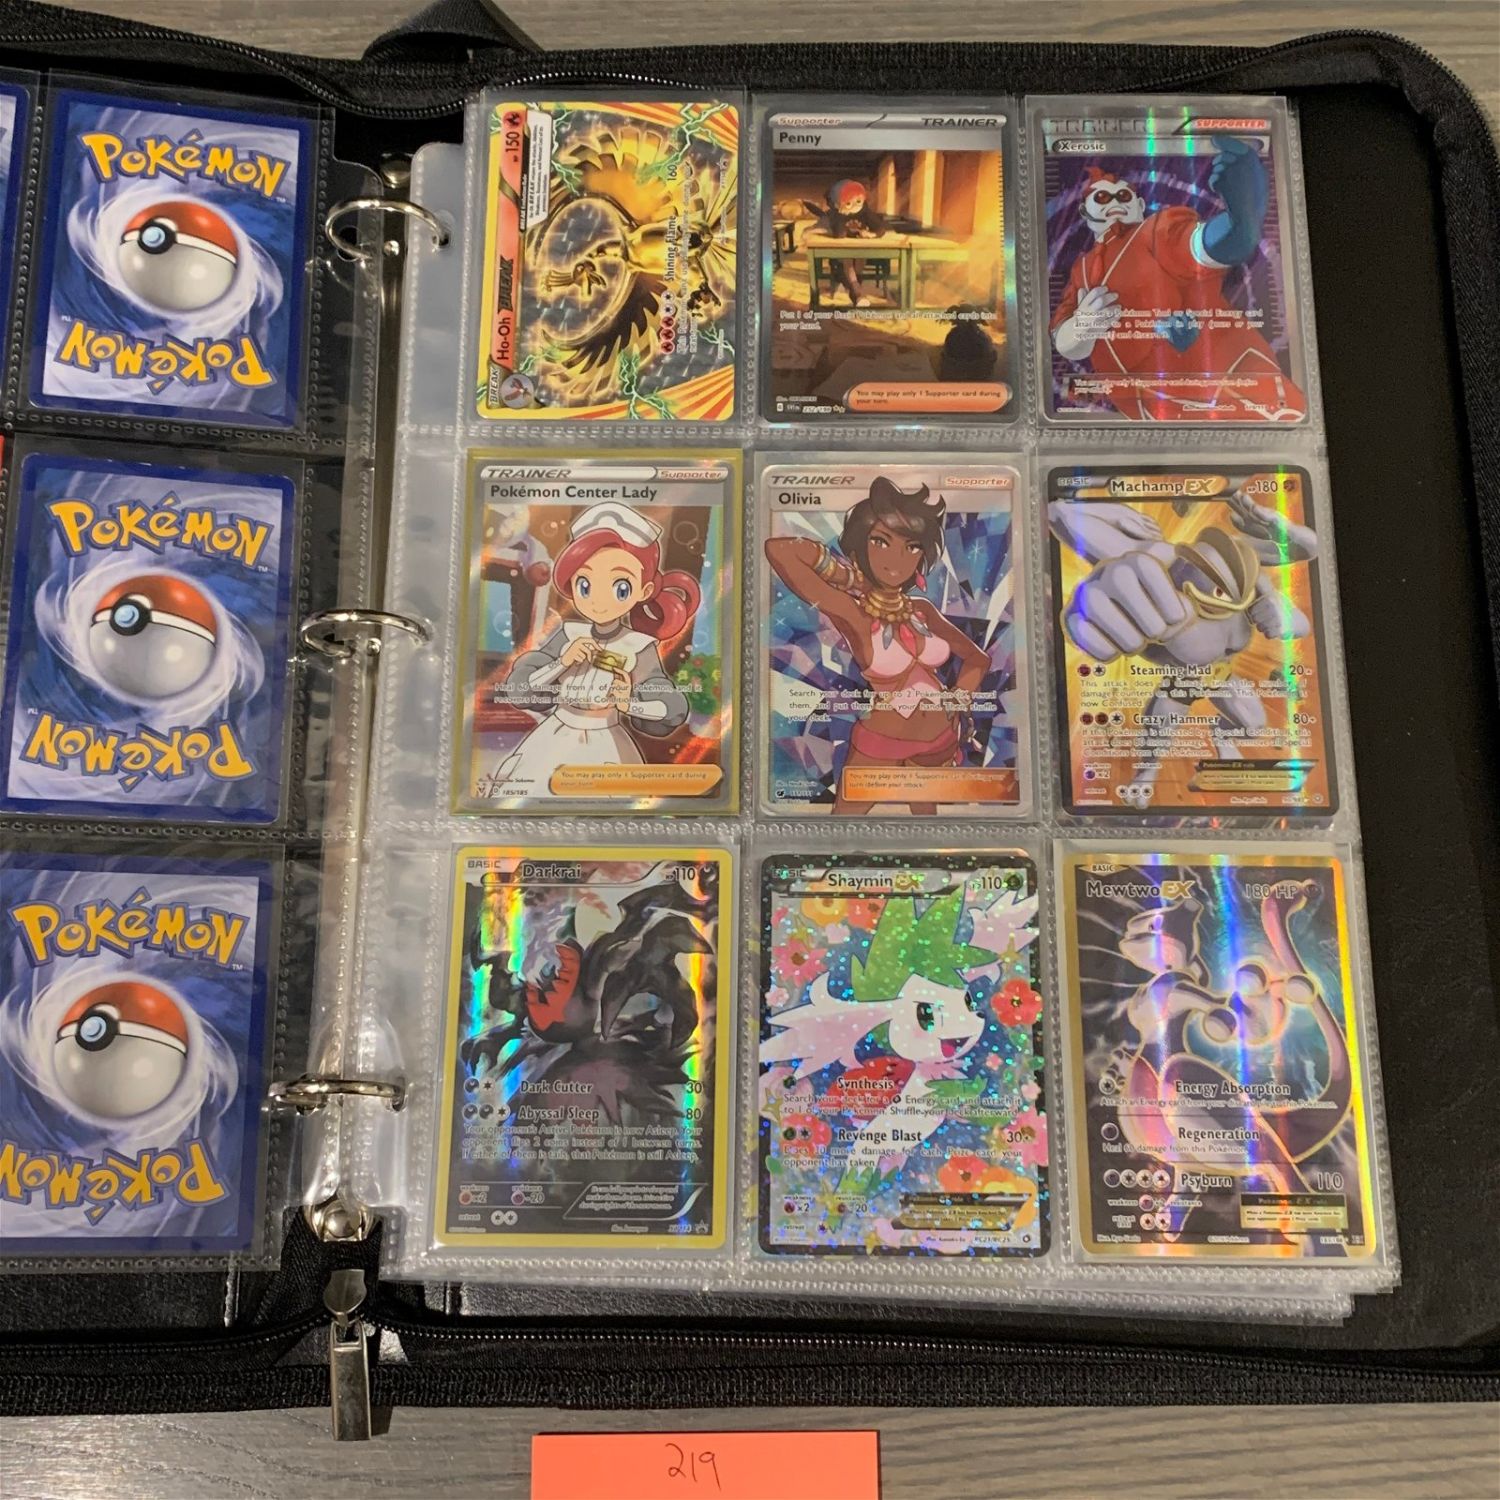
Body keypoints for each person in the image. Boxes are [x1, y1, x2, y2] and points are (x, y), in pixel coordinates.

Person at [765, 476, 988, 814]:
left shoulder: (922, 610)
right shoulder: (853, 614)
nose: (897, 557)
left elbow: (977, 660)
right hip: (881, 743)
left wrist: (958, 698)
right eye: (881, 541)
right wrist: (848, 576)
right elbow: (781, 550)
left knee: (929, 830)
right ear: (859, 547)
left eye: (912, 546)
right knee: (843, 828)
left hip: (941, 739)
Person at [1050, 138, 1308, 421]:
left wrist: (1242, 221)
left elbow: (1203, 245)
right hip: (1150, 415)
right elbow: (1065, 341)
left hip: (1228, 389)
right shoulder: (1081, 270)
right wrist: (1081, 327)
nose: (1114, 203)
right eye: (1102, 198)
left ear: (1139, 205)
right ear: (1085, 212)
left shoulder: (1156, 232)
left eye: (1123, 196)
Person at [488, 502, 696, 797]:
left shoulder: (638, 645)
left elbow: (671, 708)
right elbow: (520, 689)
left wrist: (628, 703)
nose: (598, 600)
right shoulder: (568, 634)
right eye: (585, 584)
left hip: (606, 742)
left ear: (644, 591)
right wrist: (561, 662)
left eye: (620, 588)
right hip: (555, 734)